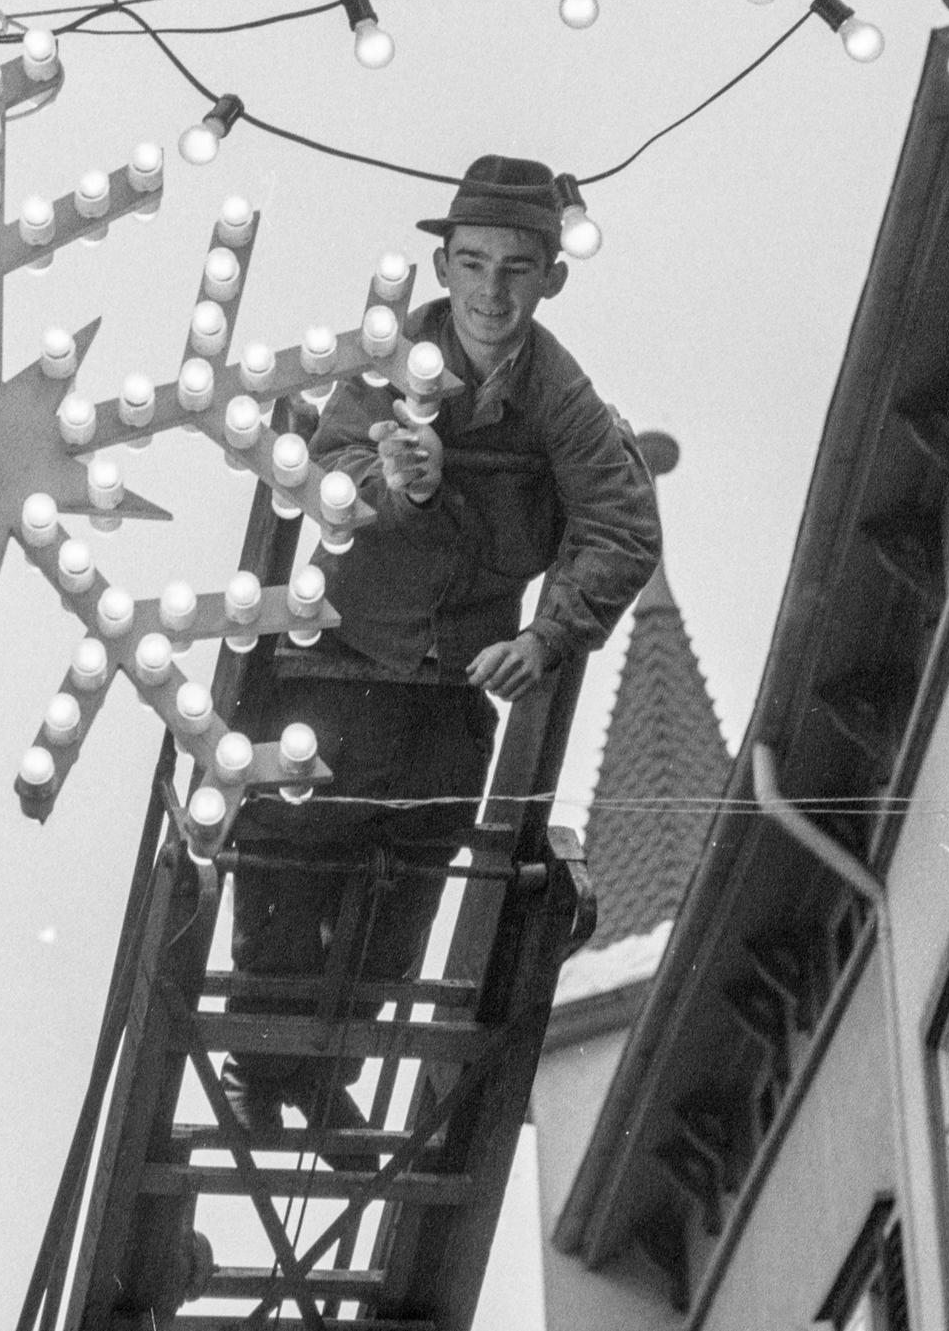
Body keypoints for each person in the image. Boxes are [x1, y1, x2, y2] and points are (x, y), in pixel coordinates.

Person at [221, 154, 663, 1161]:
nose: (490, 291)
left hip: (451, 687)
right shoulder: (383, 362)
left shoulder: (558, 395)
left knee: (402, 892)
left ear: (549, 275)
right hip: (336, 663)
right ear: (443, 264)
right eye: (471, 263)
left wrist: (543, 635)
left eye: (515, 267)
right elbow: (319, 470)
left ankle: (324, 1076)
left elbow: (622, 526)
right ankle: (261, 1063)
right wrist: (385, 482)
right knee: (293, 866)